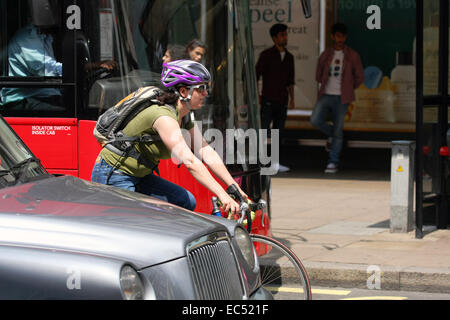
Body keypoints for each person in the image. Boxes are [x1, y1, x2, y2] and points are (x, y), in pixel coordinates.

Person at [91, 59, 246, 214]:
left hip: (140, 175)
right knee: (134, 225)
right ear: (184, 91)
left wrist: (232, 185)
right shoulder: (163, 116)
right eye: (201, 88)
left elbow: (205, 150)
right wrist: (222, 195)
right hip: (115, 173)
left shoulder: (184, 116)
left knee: (184, 201)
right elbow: (190, 161)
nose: (206, 93)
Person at [310, 23, 364, 174]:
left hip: (342, 97)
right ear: (333, 37)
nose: (340, 39)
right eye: (337, 36)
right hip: (326, 93)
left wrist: (348, 87)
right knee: (315, 120)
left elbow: (360, 76)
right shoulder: (326, 54)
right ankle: (333, 135)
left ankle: (333, 162)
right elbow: (318, 74)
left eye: (343, 36)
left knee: (338, 130)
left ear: (345, 37)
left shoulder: (352, 55)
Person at [256, 23, 295, 173]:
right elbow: (256, 75)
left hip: (282, 99)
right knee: (264, 131)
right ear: (274, 38)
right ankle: (260, 162)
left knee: (278, 132)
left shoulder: (290, 57)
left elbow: (291, 81)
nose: (285, 38)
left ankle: (275, 162)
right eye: (282, 35)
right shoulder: (266, 55)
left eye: (285, 35)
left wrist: (292, 99)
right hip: (267, 99)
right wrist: (258, 95)